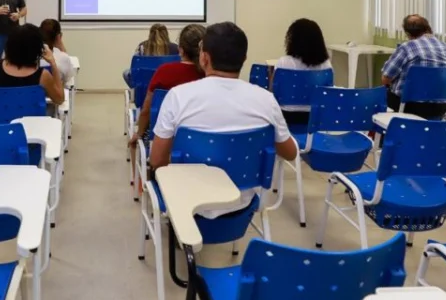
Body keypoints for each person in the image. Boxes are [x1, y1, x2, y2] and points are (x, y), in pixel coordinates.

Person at [151, 22, 298, 217]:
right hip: (243, 202)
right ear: (244, 58)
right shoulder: (266, 100)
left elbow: (157, 160)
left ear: (204, 58)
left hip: (187, 201)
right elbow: (290, 153)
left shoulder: (178, 96)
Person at [128, 24, 205, 190]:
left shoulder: (165, 71)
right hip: (202, 139)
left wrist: (139, 134)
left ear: (181, 50)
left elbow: (146, 110)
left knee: (138, 141)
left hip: (162, 138)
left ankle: (141, 184)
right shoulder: (208, 75)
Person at [382, 14, 446, 120]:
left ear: (408, 34)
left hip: (407, 107)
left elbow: (385, 78)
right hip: (441, 108)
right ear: (429, 28)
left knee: (382, 93)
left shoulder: (407, 48)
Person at [0, 23, 65, 105]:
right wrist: (53, 63)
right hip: (30, 117)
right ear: (37, 49)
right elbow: (60, 99)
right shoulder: (43, 75)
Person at [274, 18, 333, 127]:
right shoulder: (326, 65)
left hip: (286, 118)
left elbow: (276, 93)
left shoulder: (283, 62)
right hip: (316, 119)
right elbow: (327, 95)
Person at [39, 19, 75, 86]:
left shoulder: (29, 56)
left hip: (33, 94)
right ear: (58, 36)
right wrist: (61, 45)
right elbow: (68, 79)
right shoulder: (63, 57)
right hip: (54, 95)